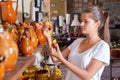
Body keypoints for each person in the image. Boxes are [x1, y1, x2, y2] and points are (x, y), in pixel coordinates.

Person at [43, 5, 110, 80]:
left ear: (97, 24)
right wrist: (48, 37)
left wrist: (62, 59)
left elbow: (87, 76)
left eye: (86, 21)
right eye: (81, 21)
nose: (81, 24)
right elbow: (55, 59)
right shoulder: (77, 42)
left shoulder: (102, 47)